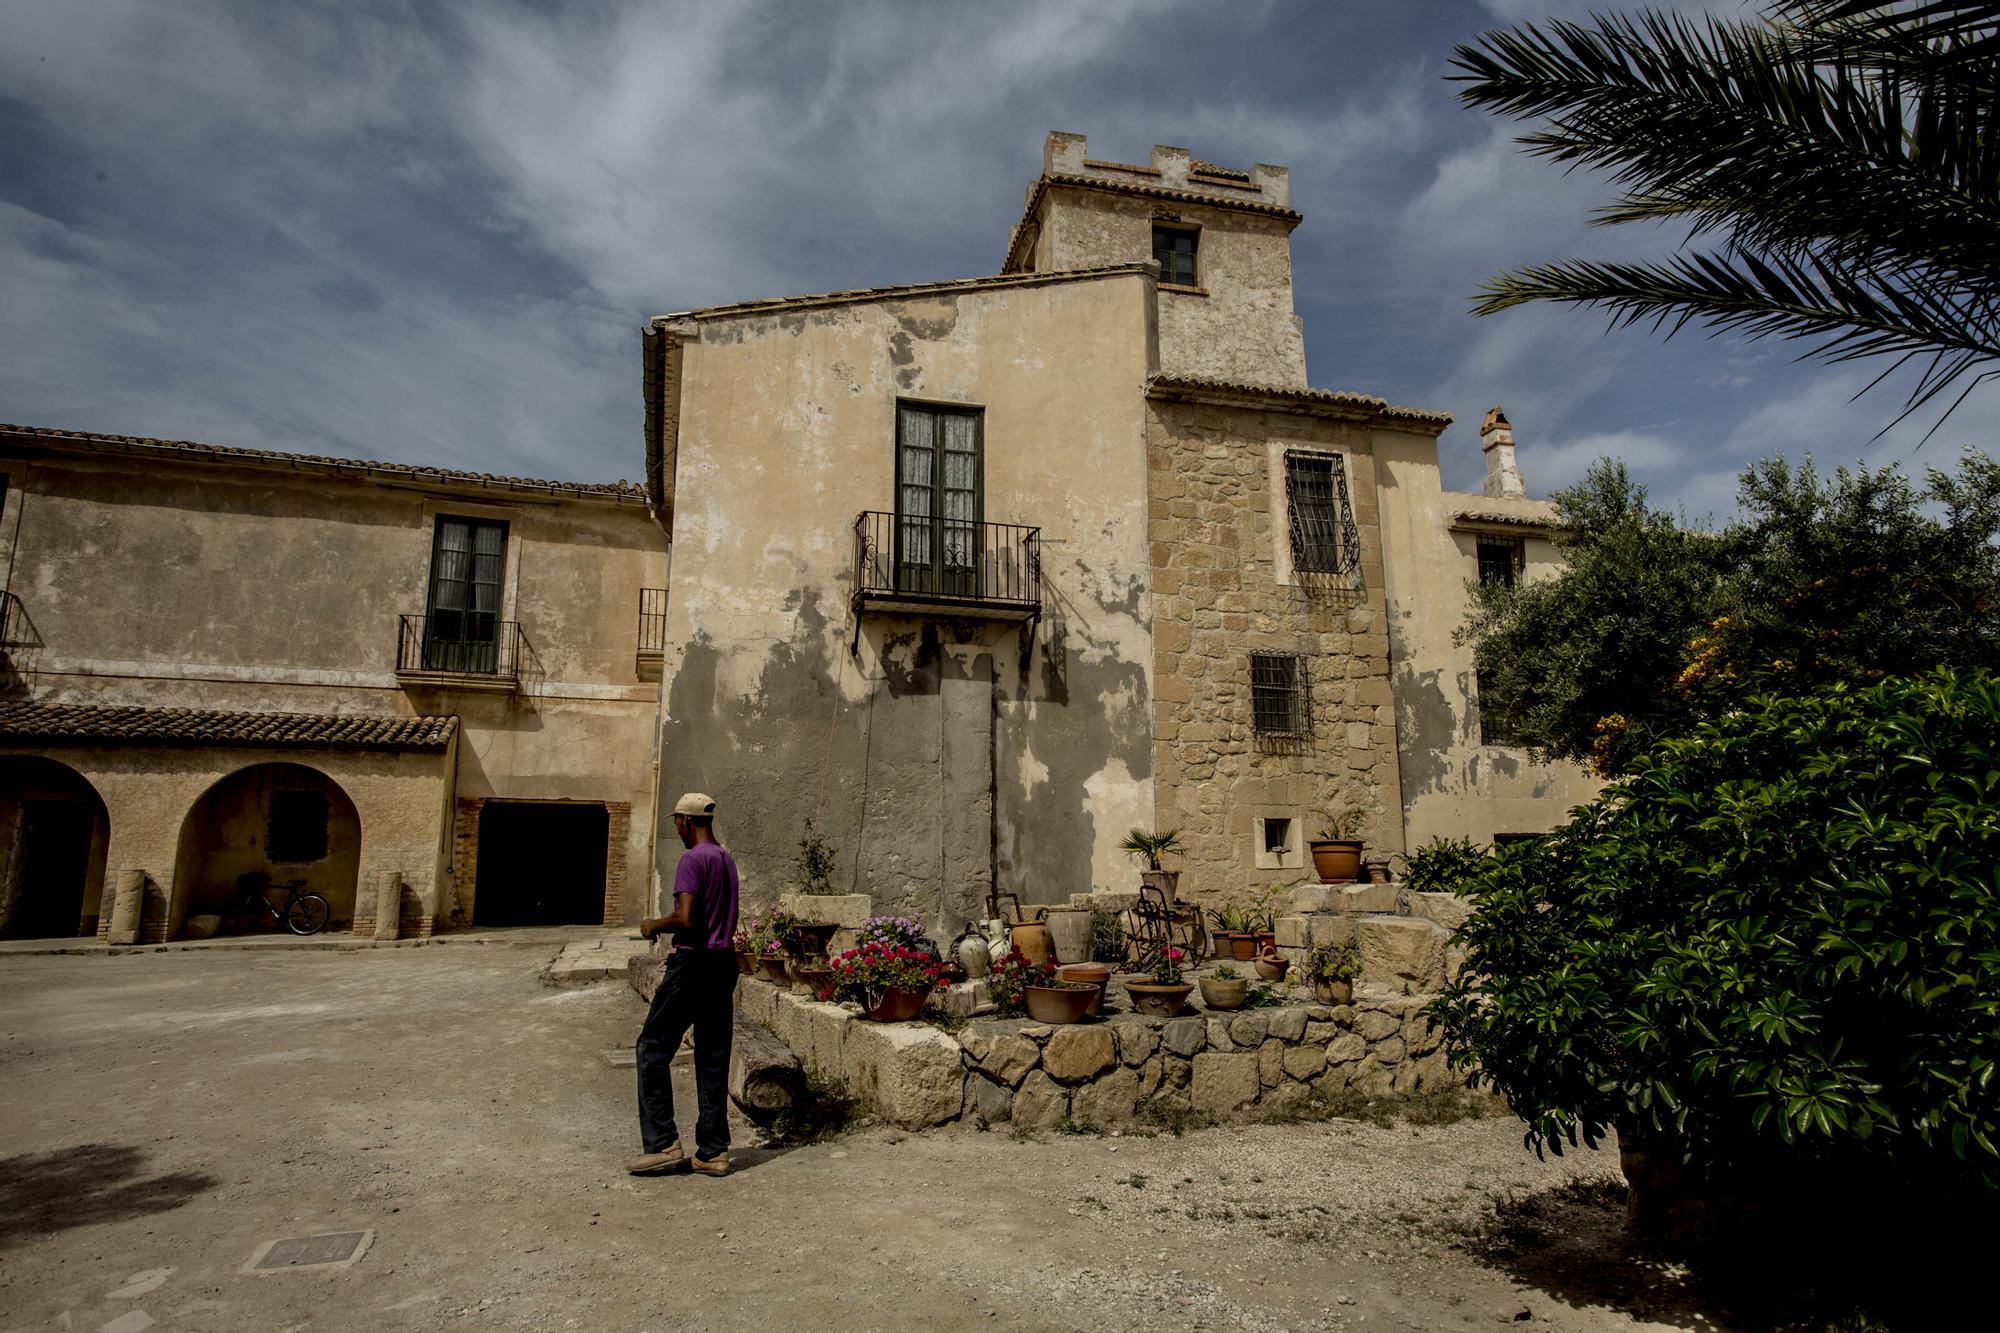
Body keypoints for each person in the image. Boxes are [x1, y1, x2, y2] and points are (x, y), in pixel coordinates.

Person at [629, 792, 740, 1177]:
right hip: (723, 964)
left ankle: (662, 1144)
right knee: (712, 1056)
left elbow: (687, 918)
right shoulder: (725, 859)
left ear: (686, 822)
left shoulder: (692, 860)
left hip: (693, 963)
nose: (675, 827)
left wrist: (653, 925)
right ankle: (713, 1152)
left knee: (652, 1048)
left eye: (676, 820)